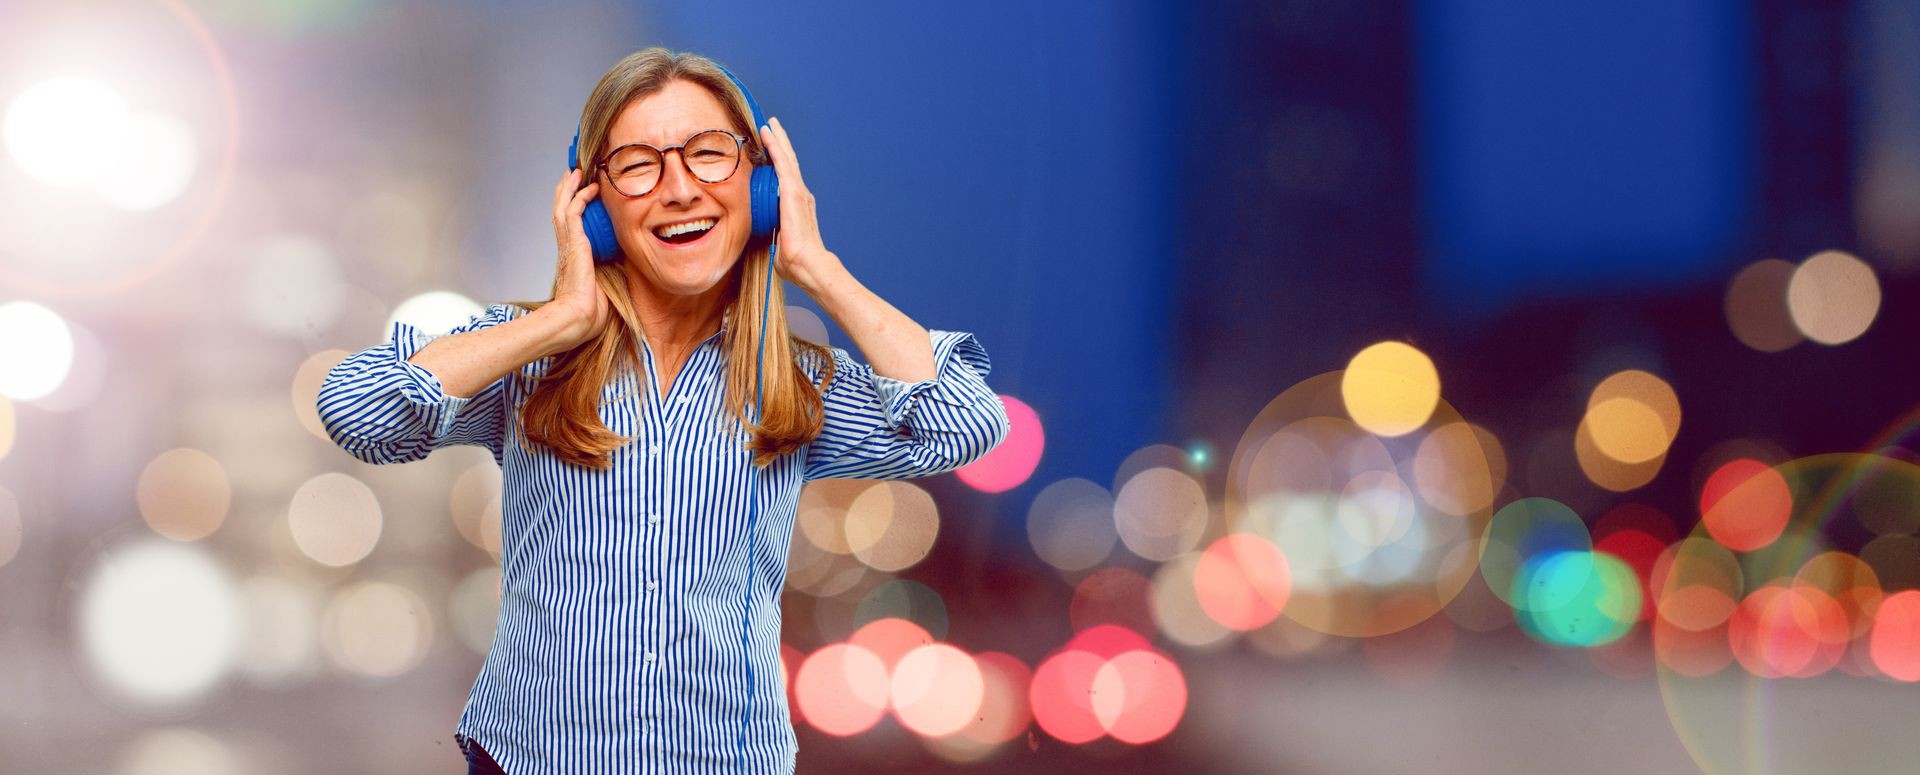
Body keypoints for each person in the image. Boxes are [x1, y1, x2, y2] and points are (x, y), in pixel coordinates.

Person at [316, 48, 1010, 774]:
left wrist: (816, 266)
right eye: (639, 164)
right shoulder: (524, 361)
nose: (679, 188)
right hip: (529, 759)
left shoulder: (796, 386)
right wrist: (557, 320)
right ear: (594, 204)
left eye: (709, 155)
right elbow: (357, 410)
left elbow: (966, 421)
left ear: (763, 185)